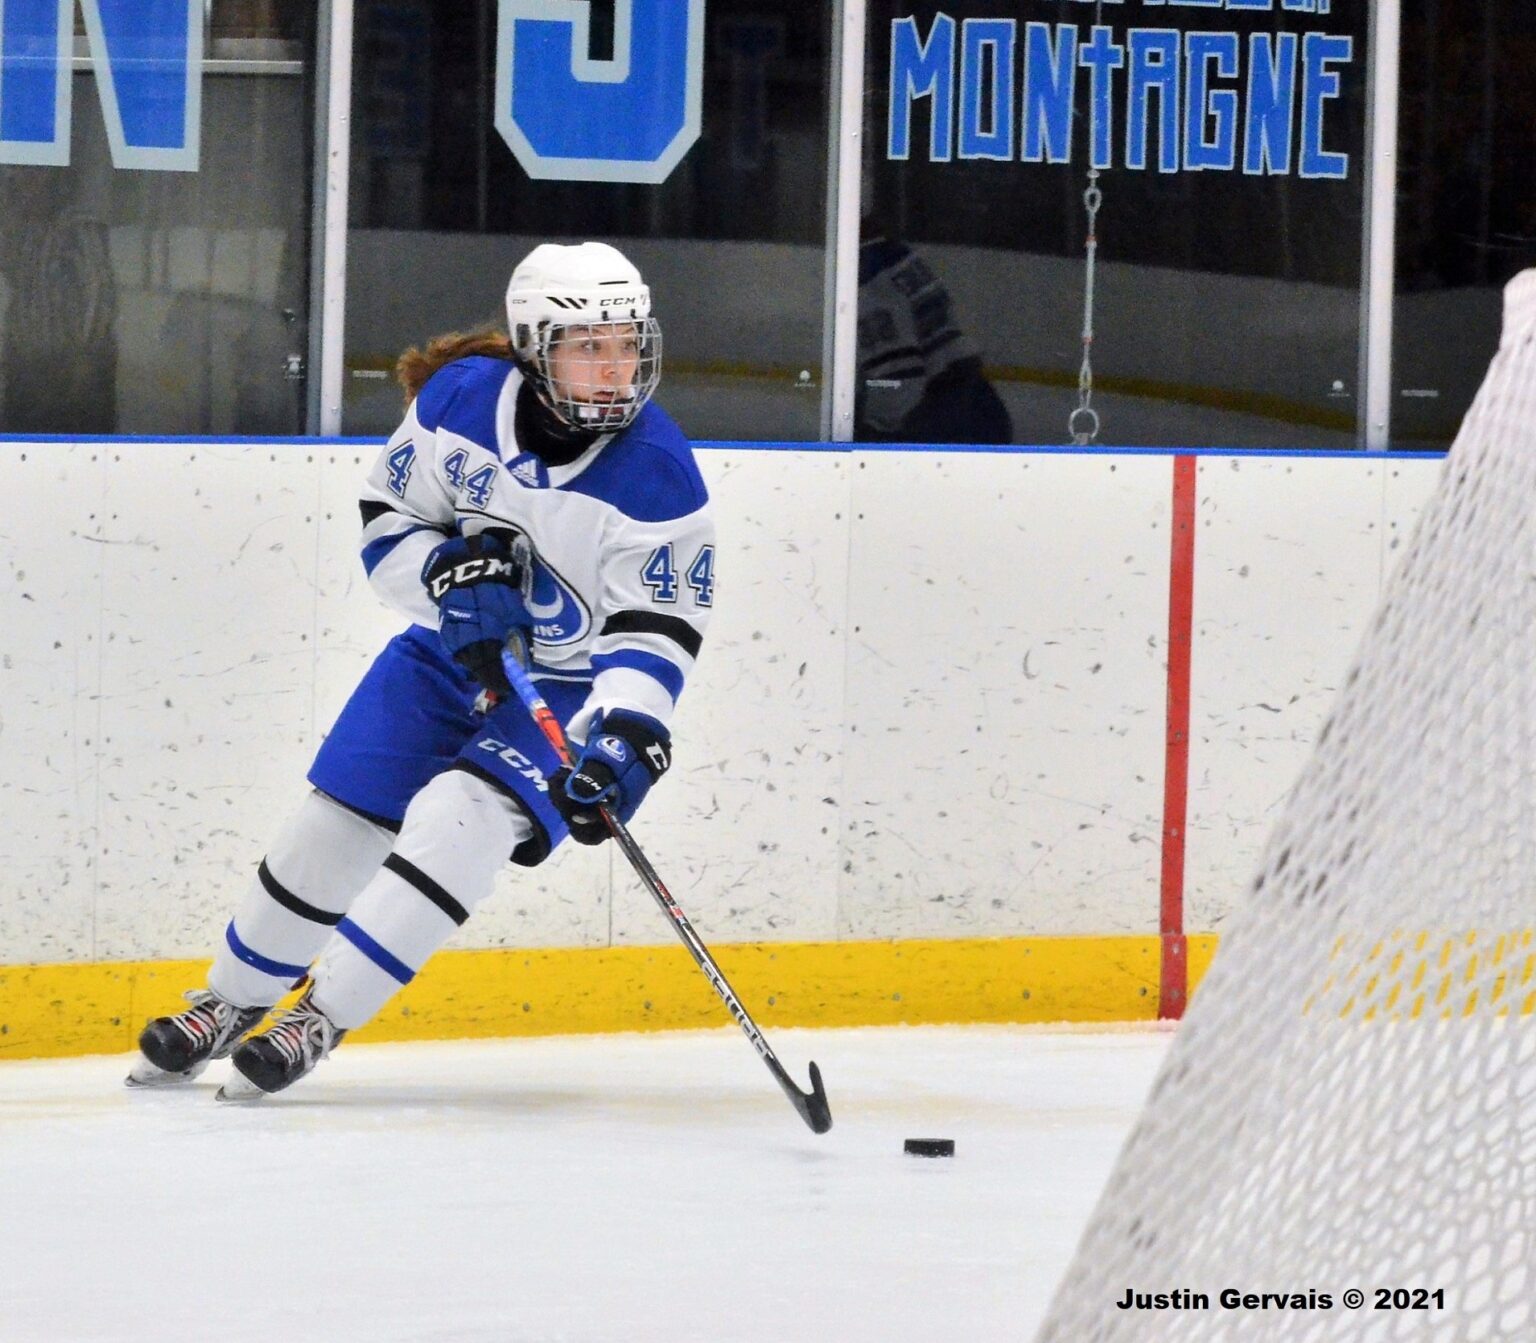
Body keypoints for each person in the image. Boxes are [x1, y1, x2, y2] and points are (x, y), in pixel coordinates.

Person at [125, 241, 715, 1099]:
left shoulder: (660, 475)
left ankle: (319, 1015)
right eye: (589, 345)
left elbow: (657, 630)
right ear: (533, 346)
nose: (615, 367)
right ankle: (228, 999)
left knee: (462, 815)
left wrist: (626, 730)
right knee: (338, 820)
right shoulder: (460, 402)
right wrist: (445, 578)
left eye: (627, 343)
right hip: (446, 652)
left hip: (569, 684)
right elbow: (388, 524)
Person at [855, 225, 1012, 445]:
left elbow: (899, 382)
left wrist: (870, 436)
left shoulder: (866, 273)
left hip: (946, 419)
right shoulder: (893, 253)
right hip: (977, 401)